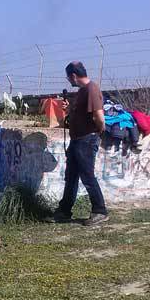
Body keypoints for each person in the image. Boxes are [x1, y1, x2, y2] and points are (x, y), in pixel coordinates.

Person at [52, 62, 108, 226]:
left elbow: (99, 116)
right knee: (71, 177)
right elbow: (82, 114)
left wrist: (98, 132)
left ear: (74, 76)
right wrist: (70, 110)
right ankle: (64, 211)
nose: (69, 80)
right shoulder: (82, 91)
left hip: (86, 139)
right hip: (77, 140)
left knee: (87, 176)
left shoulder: (91, 89)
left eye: (69, 77)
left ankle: (100, 211)